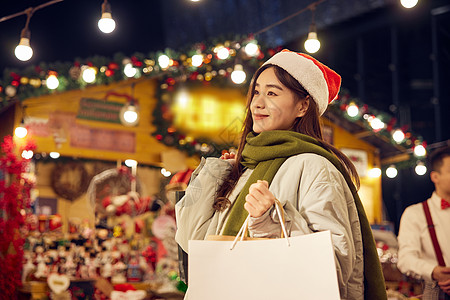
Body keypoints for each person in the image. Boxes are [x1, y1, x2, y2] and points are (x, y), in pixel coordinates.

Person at [175, 49, 386, 300]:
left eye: (272, 93)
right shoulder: (246, 167)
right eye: (256, 92)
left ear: (303, 105)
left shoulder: (315, 167)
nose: (257, 103)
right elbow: (193, 243)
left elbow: (335, 271)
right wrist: (216, 176)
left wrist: (274, 221)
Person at [397, 147, 450, 299]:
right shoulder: (415, 213)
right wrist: (434, 271)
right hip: (437, 293)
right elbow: (406, 259)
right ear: (435, 177)